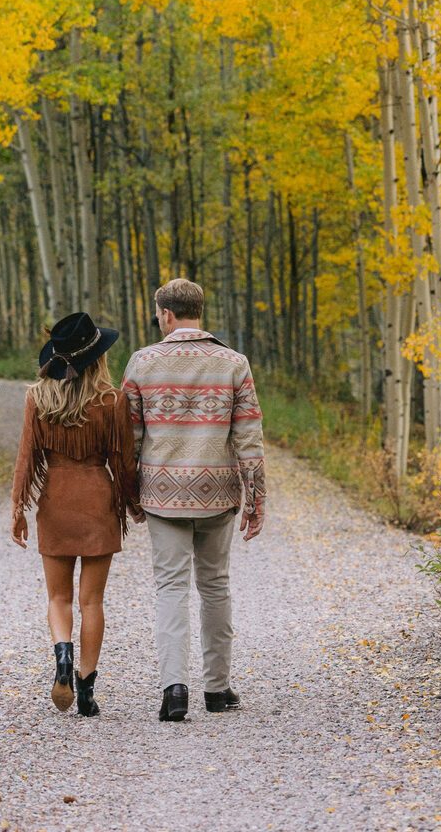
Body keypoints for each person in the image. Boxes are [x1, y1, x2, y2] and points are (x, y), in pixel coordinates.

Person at [122, 277, 266, 723]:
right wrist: (256, 498)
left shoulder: (143, 363)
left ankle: (174, 690)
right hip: (218, 492)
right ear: (198, 311)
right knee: (215, 585)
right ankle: (218, 690)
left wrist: (129, 494)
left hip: (163, 494)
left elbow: (129, 438)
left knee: (170, 587)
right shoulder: (234, 363)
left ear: (165, 314)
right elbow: (249, 437)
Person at [11, 311, 141, 717]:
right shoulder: (111, 400)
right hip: (97, 502)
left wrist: (18, 508)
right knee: (93, 601)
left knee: (58, 596)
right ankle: (85, 687)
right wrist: (133, 505)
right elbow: (123, 462)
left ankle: (62, 658)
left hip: (55, 501)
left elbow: (26, 457)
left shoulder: (37, 397)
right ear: (97, 358)